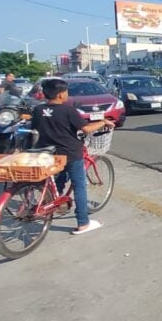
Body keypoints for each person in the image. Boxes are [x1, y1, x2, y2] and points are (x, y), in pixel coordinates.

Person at [31, 78, 115, 235]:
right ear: (62, 94)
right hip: (69, 153)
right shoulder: (68, 110)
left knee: (59, 179)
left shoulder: (38, 110)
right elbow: (86, 129)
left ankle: (55, 202)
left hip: (47, 153)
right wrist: (104, 122)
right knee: (79, 186)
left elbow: (37, 128)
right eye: (67, 91)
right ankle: (83, 223)